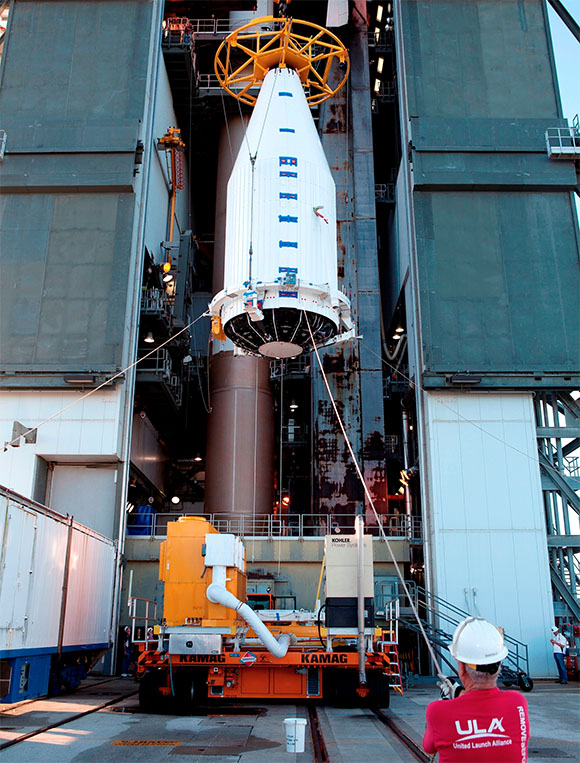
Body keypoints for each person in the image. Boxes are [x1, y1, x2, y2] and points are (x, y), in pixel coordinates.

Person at [423, 617, 529, 761]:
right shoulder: (518, 703)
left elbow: (428, 747)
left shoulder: (437, 711)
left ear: (461, 667)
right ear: (499, 665)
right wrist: (459, 693)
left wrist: (448, 700)